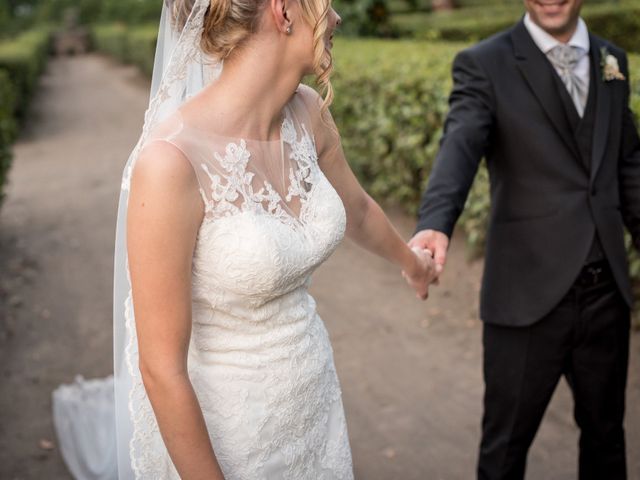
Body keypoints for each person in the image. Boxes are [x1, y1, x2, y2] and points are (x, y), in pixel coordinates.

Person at [74, 0, 437, 478]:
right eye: (327, 5)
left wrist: (413, 262)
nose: (338, 19)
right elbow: (161, 370)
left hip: (315, 406)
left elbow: (359, 210)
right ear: (283, 11)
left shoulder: (307, 113)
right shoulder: (169, 163)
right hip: (233, 434)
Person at [410, 0, 640, 479]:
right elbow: (461, 142)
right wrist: (436, 219)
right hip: (525, 296)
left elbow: (628, 166)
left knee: (607, 438)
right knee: (505, 449)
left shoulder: (611, 60)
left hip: (606, 294)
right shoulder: (485, 63)